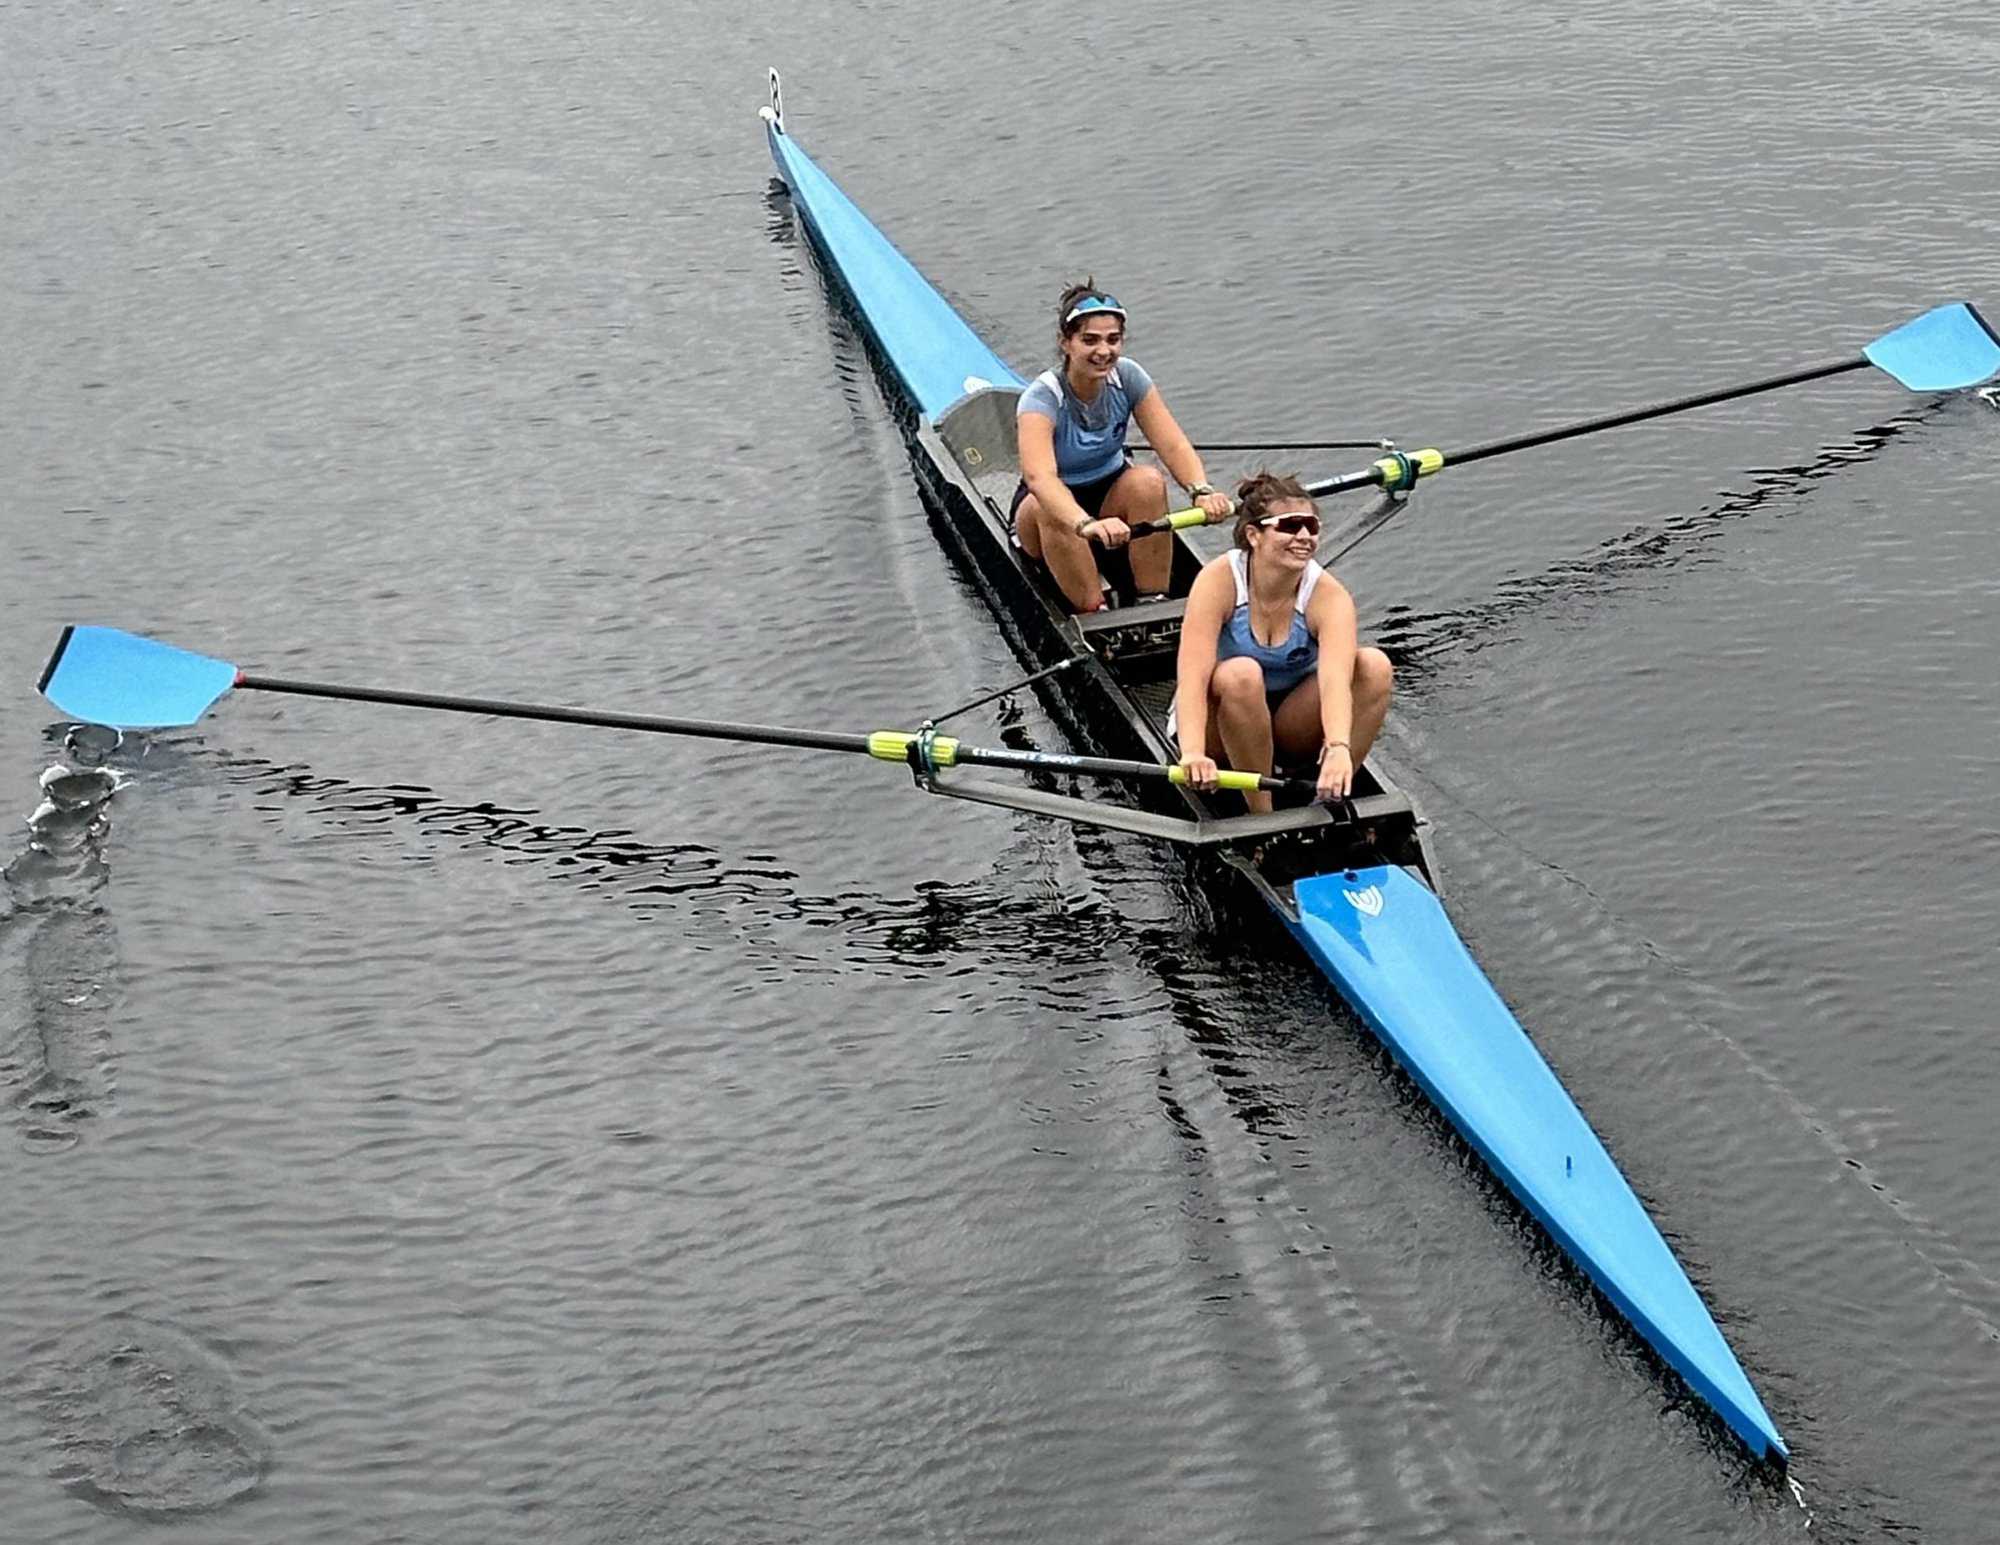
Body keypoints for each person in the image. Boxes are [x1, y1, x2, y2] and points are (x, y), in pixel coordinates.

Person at [1172, 472, 1394, 813]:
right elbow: (1192, 679)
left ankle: (1331, 793)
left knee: (1374, 666)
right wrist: (1192, 753)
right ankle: (1262, 815)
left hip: (1289, 725)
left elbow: (1335, 682)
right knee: (1242, 674)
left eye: (1312, 526)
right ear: (1254, 535)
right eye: (1290, 526)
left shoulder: (1328, 596)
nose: (1304, 537)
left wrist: (1338, 745)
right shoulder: (1218, 580)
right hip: (1220, 723)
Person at [1011, 284, 1234, 612]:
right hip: (1047, 510)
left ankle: (1154, 601)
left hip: (1109, 497)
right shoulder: (1042, 398)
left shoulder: (1128, 376)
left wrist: (1201, 491)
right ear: (1065, 343)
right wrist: (1084, 524)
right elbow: (1040, 478)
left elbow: (1172, 443)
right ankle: (1095, 614)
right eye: (1090, 340)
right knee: (1049, 506)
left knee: (1148, 481)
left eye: (1112, 339)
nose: (1104, 351)